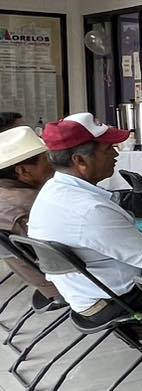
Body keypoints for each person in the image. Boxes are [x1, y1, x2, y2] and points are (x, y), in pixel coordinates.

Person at [27, 114, 142, 327]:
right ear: (80, 161)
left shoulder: (51, 192)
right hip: (117, 298)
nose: (116, 154)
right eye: (108, 149)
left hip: (85, 293)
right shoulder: (90, 210)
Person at [0, 125, 59, 300]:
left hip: (37, 278)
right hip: (63, 284)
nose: (52, 165)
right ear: (23, 171)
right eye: (46, 159)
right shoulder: (35, 203)